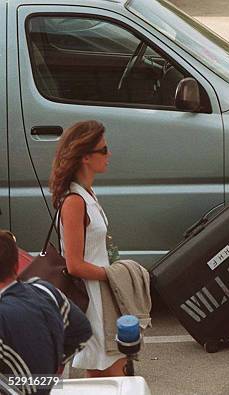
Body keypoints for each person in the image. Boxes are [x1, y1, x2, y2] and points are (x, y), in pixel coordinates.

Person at [48, 120, 126, 377]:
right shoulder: (74, 201)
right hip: (91, 300)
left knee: (107, 374)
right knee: (111, 375)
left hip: (101, 296)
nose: (109, 154)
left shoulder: (88, 193)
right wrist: (115, 274)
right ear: (85, 157)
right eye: (103, 150)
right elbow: (74, 264)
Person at [0, 230, 92, 395]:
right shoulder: (44, 289)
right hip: (45, 385)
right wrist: (54, 365)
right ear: (16, 265)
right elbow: (82, 329)